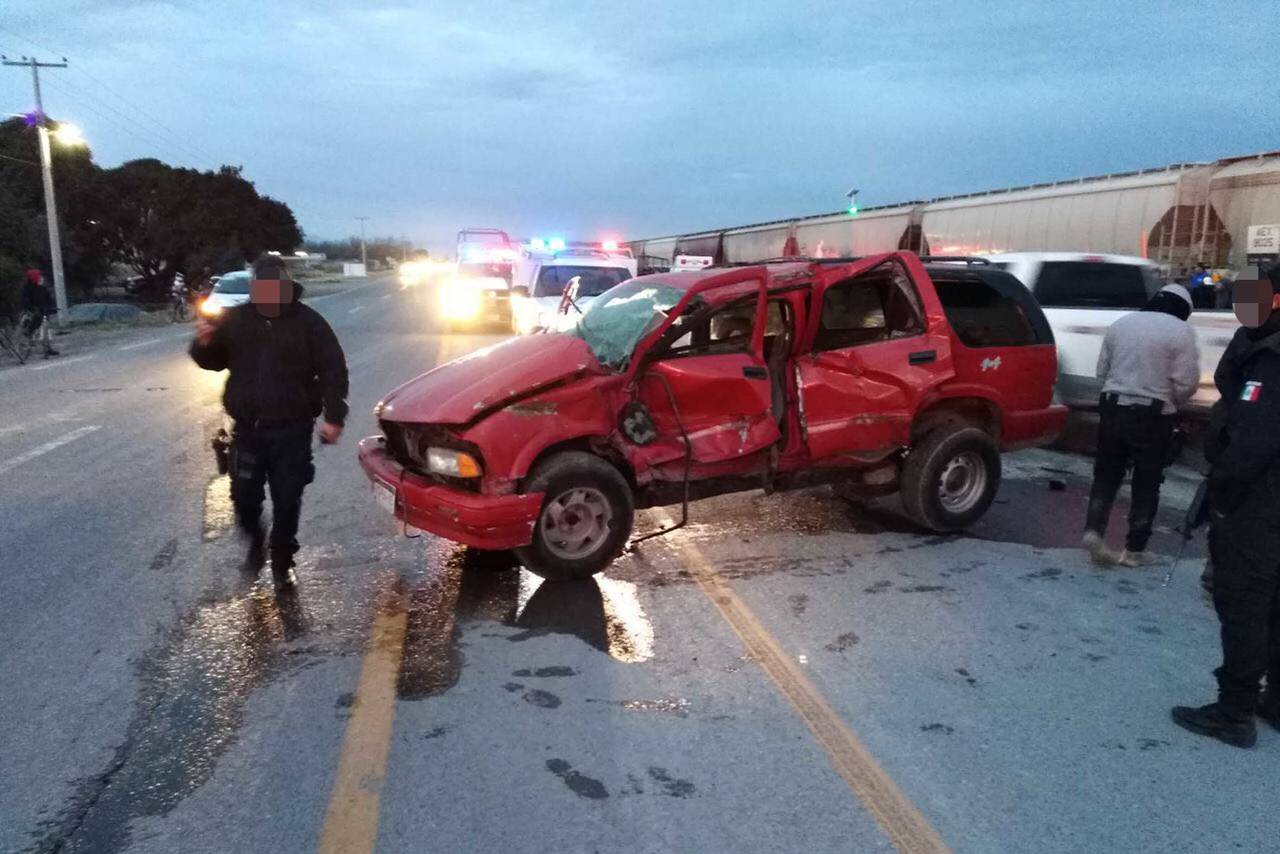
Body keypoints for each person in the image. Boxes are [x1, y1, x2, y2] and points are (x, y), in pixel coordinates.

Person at [189, 255, 349, 590]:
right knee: (244, 498)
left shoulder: (309, 322)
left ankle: (282, 560)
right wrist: (203, 344)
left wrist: (334, 417)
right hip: (248, 430)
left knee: (288, 498)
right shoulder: (236, 320)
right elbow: (214, 361)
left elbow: (333, 369)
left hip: (292, 430)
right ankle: (256, 543)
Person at [1172, 264, 1280, 749]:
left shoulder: (1270, 359)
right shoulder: (1258, 344)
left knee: (1243, 603)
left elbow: (1252, 443)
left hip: (1257, 503)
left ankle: (1234, 711)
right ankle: (1274, 700)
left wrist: (1220, 496)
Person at [1082, 284, 1200, 567]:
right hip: (1153, 416)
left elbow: (1101, 371)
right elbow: (1185, 383)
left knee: (1106, 476)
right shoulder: (1181, 331)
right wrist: (1174, 401)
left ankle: (1094, 531)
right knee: (1147, 482)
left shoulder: (1121, 324)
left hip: (1112, 408)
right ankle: (1134, 550)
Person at [19, 268, 59, 358]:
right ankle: (29, 331)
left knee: (47, 327)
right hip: (31, 310)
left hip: (42, 309)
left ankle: (47, 348)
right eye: (39, 276)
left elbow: (49, 298)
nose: (41, 277)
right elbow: (24, 300)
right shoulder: (26, 288)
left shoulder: (42, 287)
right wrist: (32, 308)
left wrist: (52, 307)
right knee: (37, 317)